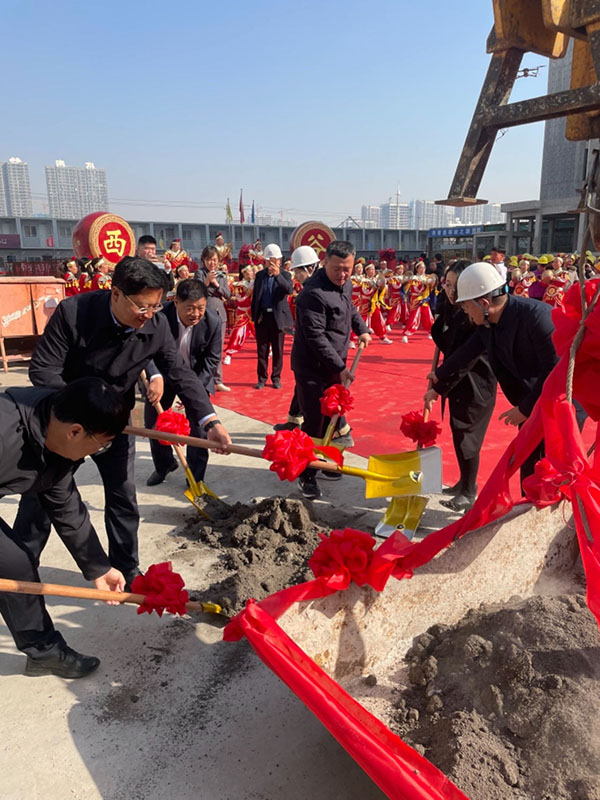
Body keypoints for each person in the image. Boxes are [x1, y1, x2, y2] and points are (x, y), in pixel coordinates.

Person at [14, 256, 231, 590]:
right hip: (67, 426)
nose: (149, 315)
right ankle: (19, 568)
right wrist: (83, 409)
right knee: (42, 498)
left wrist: (209, 419)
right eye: (143, 307)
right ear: (116, 294)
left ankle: (127, 569)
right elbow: (43, 370)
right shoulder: (74, 313)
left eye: (156, 307)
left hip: (116, 424)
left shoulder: (156, 325)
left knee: (123, 497)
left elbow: (179, 373)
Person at [0, 377, 127, 678]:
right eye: (100, 445)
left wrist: (98, 567)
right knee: (14, 562)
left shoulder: (55, 436)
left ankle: (43, 653)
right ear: (75, 432)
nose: (96, 453)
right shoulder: (5, 432)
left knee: (14, 563)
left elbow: (65, 504)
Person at [424, 261, 558, 485]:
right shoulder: (488, 322)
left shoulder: (538, 318)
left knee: (544, 470)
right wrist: (439, 378)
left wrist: (525, 409)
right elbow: (467, 352)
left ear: (484, 303)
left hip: (555, 405)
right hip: (531, 403)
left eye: (466, 306)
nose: (465, 311)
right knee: (530, 467)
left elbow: (554, 371)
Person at [291, 240, 371, 499]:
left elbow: (350, 309)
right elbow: (315, 338)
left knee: (333, 418)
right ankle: (306, 475)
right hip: (312, 369)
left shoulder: (345, 283)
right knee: (315, 422)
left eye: (347, 269)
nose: (343, 274)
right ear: (324, 263)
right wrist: (340, 367)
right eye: (337, 268)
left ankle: (323, 462)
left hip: (335, 365)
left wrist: (362, 329)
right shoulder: (312, 295)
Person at [429, 262, 497, 512]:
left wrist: (439, 385)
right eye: (446, 284)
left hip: (475, 383)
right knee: (459, 433)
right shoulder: (453, 310)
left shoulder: (474, 317)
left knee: (468, 438)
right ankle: (463, 483)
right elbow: (444, 340)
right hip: (456, 381)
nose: (450, 291)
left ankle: (469, 492)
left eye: (455, 285)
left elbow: (465, 360)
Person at [144, 279, 222, 486]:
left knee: (199, 428)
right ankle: (164, 464)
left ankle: (195, 477)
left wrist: (193, 391)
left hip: (196, 377)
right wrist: (154, 376)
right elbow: (147, 352)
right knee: (154, 423)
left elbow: (212, 360)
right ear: (176, 302)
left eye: (201, 308)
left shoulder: (213, 322)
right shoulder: (159, 318)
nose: (196, 314)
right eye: (190, 308)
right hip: (163, 376)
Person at [250, 243, 293, 390]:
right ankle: (261, 378)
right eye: (269, 261)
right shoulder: (260, 276)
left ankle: (276, 378)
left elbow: (289, 289)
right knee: (262, 350)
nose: (271, 263)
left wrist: (277, 275)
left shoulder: (285, 275)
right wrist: (255, 316)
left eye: (275, 260)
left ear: (279, 261)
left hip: (278, 318)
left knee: (278, 350)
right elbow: (256, 297)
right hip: (263, 317)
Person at [195, 244, 232, 391]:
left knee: (218, 348)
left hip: (219, 314)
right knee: (202, 347)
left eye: (215, 260)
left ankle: (218, 380)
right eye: (209, 259)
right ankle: (203, 380)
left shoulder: (221, 275)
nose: (212, 263)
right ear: (204, 260)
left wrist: (216, 284)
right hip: (204, 313)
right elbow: (196, 292)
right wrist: (206, 282)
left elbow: (228, 295)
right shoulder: (199, 273)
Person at [223, 264, 254, 365]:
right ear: (243, 273)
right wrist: (248, 294)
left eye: (251, 271)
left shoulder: (255, 282)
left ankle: (268, 349)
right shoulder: (239, 285)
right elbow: (239, 300)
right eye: (248, 271)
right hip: (242, 313)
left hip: (253, 312)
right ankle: (229, 354)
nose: (251, 273)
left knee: (260, 333)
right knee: (237, 333)